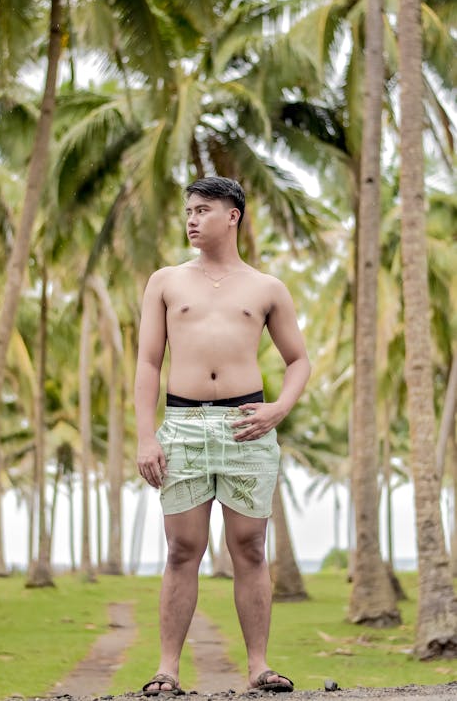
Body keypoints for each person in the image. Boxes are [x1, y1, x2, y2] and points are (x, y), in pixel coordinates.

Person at [135, 176, 310, 696]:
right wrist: (148, 437)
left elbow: (298, 360)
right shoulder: (165, 281)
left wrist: (279, 408)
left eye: (203, 210)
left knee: (250, 548)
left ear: (232, 215)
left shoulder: (266, 287)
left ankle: (258, 667)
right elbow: (148, 362)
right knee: (181, 549)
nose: (191, 219)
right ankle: (167, 669)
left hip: (246, 426)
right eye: (188, 210)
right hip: (184, 425)